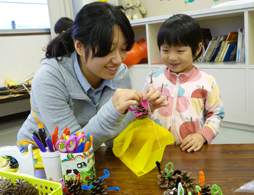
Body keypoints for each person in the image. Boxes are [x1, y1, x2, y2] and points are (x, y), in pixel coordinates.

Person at [17, 2, 168, 151]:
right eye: (108, 50)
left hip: (88, 155)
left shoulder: (119, 72)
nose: (119, 60)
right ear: (79, 47)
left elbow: (112, 141)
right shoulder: (49, 78)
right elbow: (71, 148)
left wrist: (139, 110)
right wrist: (111, 112)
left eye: (123, 49)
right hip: (39, 154)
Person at [142, 14, 225, 152]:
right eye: (166, 50)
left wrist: (202, 136)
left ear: (197, 49)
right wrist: (142, 109)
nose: (172, 57)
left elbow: (216, 114)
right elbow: (142, 108)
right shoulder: (153, 77)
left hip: (190, 149)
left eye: (180, 51)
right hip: (156, 148)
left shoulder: (207, 81)